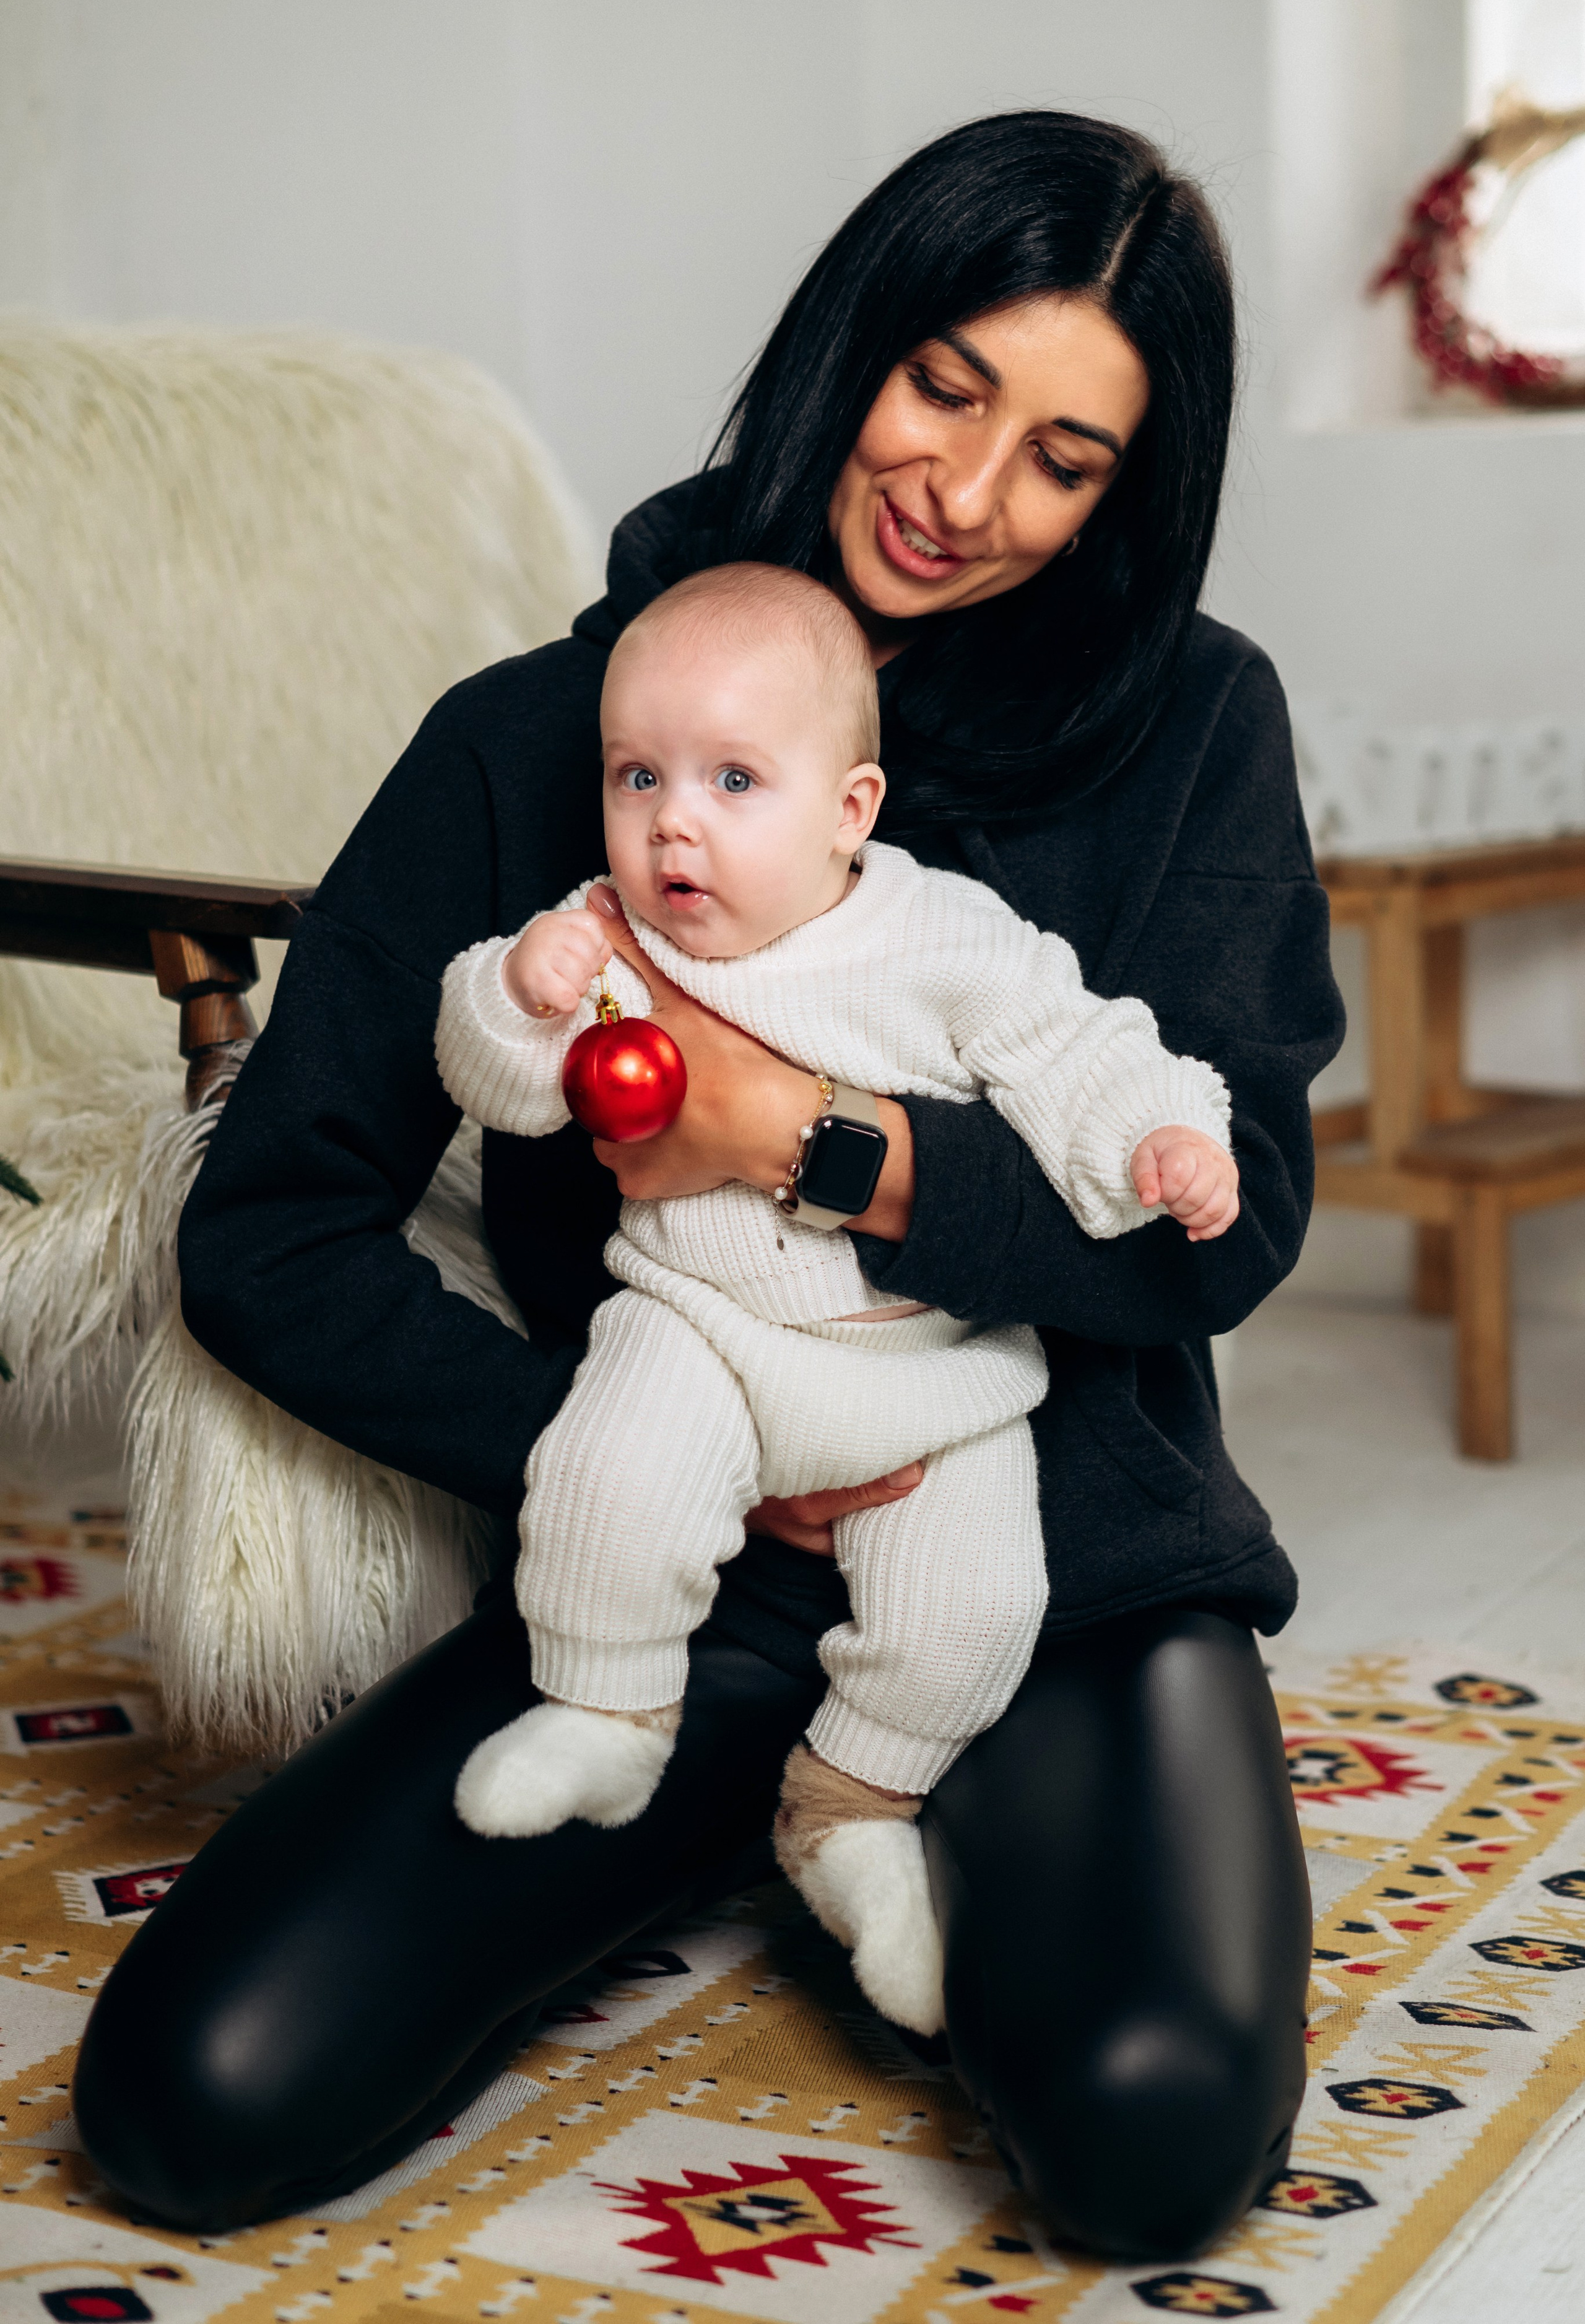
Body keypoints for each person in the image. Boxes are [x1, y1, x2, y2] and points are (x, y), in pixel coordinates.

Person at [74, 110, 1342, 2259]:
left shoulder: (1192, 724)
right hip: (653, 1571)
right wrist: (615, 1452)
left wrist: (812, 1145)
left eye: (1066, 455)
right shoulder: (542, 733)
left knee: (1149, 2145)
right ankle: (763, 1805)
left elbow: (1242, 1216)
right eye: (946, 384)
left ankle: (887, 1799)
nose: (966, 489)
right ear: (853, 333)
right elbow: (270, 1224)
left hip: (1064, 1564)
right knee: (191, 2107)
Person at [435, 560, 1239, 2039]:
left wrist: (1157, 1140)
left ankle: (854, 1809)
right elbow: (500, 1092)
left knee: (974, 1603)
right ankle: (607, 1711)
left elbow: (1074, 1050)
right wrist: (516, 993)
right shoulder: (612, 937)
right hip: (706, 1332)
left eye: (733, 778)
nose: (671, 819)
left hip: (922, 1367)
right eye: (637, 776)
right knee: (605, 1477)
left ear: (849, 809)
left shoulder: (943, 936)